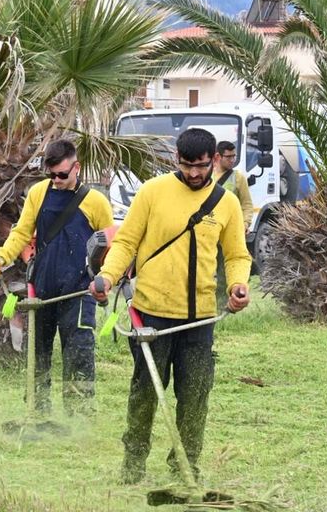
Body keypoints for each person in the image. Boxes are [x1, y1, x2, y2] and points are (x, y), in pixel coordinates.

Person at [90, 128, 252, 484]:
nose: (194, 173)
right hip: (151, 317)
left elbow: (238, 255)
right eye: (187, 165)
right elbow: (126, 242)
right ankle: (133, 465)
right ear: (176, 158)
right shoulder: (152, 192)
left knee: (194, 398)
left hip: (198, 321)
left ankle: (185, 468)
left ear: (214, 161)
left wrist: (239, 285)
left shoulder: (226, 204)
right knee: (145, 394)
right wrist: (106, 277)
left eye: (202, 166)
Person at [0, 139, 113, 415]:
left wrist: (107, 279)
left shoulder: (96, 202)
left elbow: (113, 247)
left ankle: (78, 417)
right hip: (42, 290)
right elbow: (21, 232)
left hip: (79, 292)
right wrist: (1, 257)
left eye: (62, 175)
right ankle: (38, 411)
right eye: (51, 174)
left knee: (78, 353)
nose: (56, 180)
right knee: (38, 354)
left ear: (76, 167)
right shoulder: (38, 193)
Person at [214, 140, 254, 309]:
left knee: (226, 271)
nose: (232, 160)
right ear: (218, 157)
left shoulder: (238, 178)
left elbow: (247, 204)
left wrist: (244, 223)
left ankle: (225, 304)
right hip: (210, 231)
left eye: (234, 156)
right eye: (228, 157)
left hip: (230, 232)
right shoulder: (207, 176)